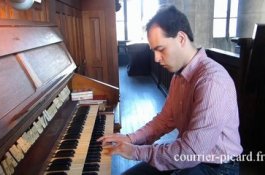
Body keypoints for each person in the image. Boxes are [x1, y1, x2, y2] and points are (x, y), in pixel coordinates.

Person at [98, 5, 242, 175]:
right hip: (189, 159)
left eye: (161, 49)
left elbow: (190, 152)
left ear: (181, 38)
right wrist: (130, 138)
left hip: (217, 167)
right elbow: (165, 120)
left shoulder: (212, 81)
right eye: (154, 51)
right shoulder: (179, 76)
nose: (157, 58)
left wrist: (134, 151)